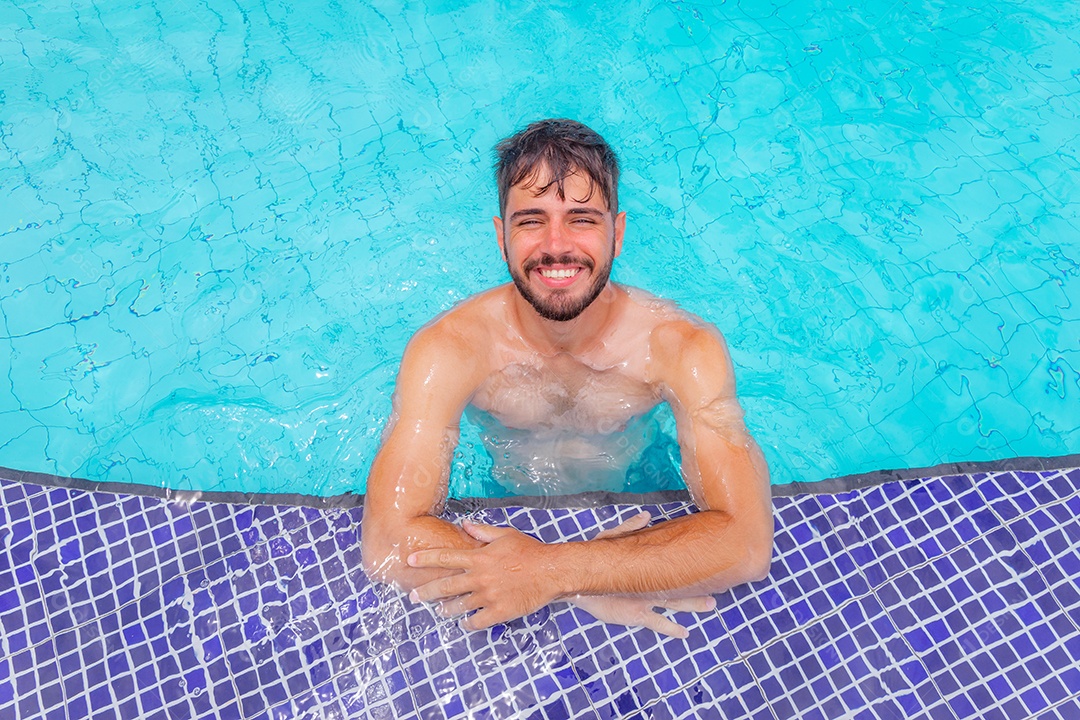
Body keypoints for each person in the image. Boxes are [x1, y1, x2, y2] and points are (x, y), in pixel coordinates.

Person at [361, 119, 773, 639]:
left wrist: (554, 575)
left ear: (617, 233)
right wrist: (580, 580)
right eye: (531, 221)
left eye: (581, 219)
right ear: (500, 236)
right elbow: (386, 538)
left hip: (639, 495)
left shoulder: (681, 347)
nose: (556, 246)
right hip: (499, 507)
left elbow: (747, 543)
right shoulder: (452, 349)